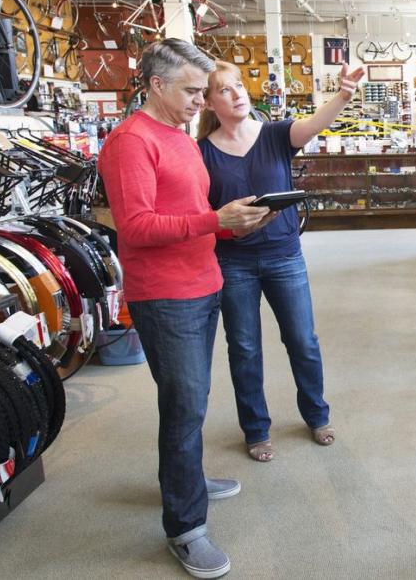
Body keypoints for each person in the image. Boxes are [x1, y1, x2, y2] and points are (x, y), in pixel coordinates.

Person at [98, 39, 274, 579]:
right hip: (165, 294)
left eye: (206, 90)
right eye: (193, 91)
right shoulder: (131, 142)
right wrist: (215, 221)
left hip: (201, 282)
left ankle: (187, 480)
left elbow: (191, 208)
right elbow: (136, 227)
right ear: (156, 85)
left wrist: (235, 219)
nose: (203, 101)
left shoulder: (176, 135)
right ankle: (185, 525)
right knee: (184, 406)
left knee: (192, 399)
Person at [197, 60, 364, 463]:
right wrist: (228, 228)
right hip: (233, 263)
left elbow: (314, 124)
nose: (237, 93)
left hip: (284, 255)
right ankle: (255, 429)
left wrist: (341, 94)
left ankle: (317, 414)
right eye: (225, 89)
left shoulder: (273, 134)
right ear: (207, 102)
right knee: (245, 348)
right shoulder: (200, 153)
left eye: (239, 85)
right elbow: (202, 214)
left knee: (303, 341)